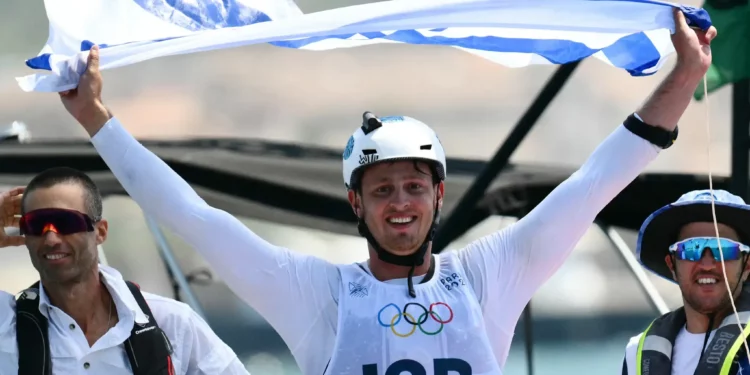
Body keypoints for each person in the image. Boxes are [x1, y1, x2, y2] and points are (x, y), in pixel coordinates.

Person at [54, 8, 715, 375]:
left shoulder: (492, 272)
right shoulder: (316, 294)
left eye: (412, 186)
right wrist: (95, 120)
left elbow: (597, 180)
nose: (400, 201)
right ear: (356, 204)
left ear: (437, 195)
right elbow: (191, 216)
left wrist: (686, 75)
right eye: (381, 189)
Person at [0, 168, 250, 374]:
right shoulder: (6, 325)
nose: (51, 238)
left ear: (100, 232)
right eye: (35, 225)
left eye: (66, 222)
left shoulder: (172, 323)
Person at [622, 189, 750, 375]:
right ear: (672, 265)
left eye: (723, 249)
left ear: (747, 266)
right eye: (690, 249)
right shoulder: (635, 354)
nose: (707, 264)